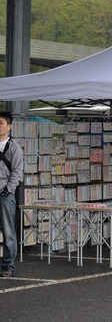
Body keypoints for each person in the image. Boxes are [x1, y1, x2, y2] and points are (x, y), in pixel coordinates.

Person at [0, 111, 24, 278]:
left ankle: (8, 266)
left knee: (8, 231)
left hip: (5, 194)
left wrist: (8, 189)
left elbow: (17, 171)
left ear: (9, 126)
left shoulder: (14, 147)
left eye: (0, 123)